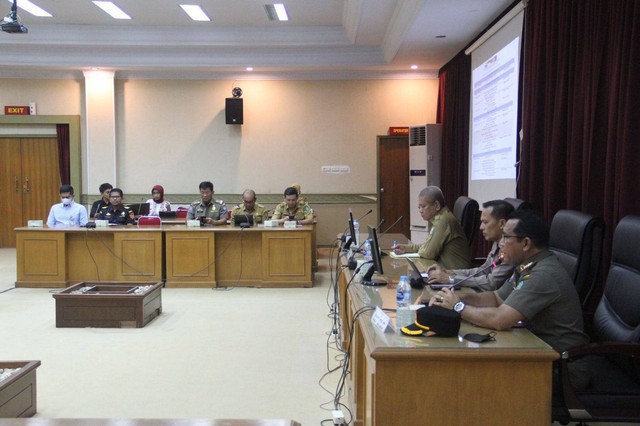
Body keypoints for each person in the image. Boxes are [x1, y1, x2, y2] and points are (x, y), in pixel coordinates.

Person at [426, 209, 589, 389]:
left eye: (506, 238)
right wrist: (460, 298)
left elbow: (500, 319)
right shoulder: (526, 266)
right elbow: (496, 298)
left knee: (476, 376)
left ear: (526, 243)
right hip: (538, 351)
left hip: (562, 367)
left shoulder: (543, 275)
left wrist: (458, 307)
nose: (501, 243)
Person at [427, 200, 515, 291]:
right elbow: (484, 270)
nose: (481, 227)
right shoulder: (497, 242)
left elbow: (492, 283)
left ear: (502, 224)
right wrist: (449, 272)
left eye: (485, 222)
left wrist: (451, 279)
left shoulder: (511, 249)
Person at [393, 186, 470, 269]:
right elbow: (428, 246)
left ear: (436, 205)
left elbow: (428, 253)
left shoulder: (444, 221)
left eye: (423, 206)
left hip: (455, 276)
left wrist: (422, 249)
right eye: (419, 207)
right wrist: (407, 248)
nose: (420, 210)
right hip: (445, 272)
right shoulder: (439, 218)